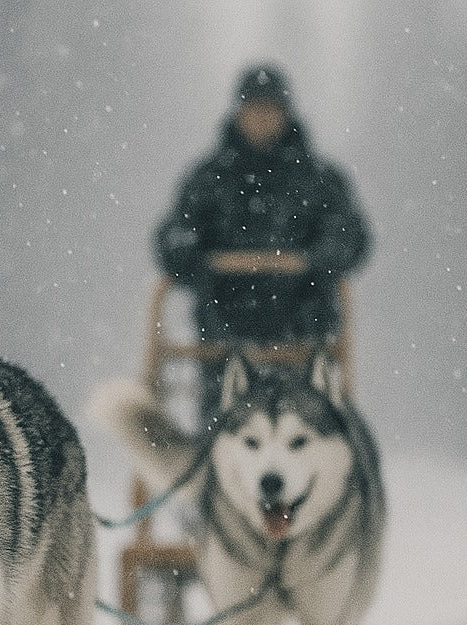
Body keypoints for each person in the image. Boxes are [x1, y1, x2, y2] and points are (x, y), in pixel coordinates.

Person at [154, 64, 372, 413]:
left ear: (286, 114)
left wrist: (322, 257)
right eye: (253, 108)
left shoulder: (317, 179)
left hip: (304, 328)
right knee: (225, 432)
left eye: (270, 109)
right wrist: (188, 254)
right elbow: (174, 234)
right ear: (238, 112)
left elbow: (350, 235)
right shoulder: (209, 178)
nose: (261, 118)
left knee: (307, 430)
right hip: (223, 331)